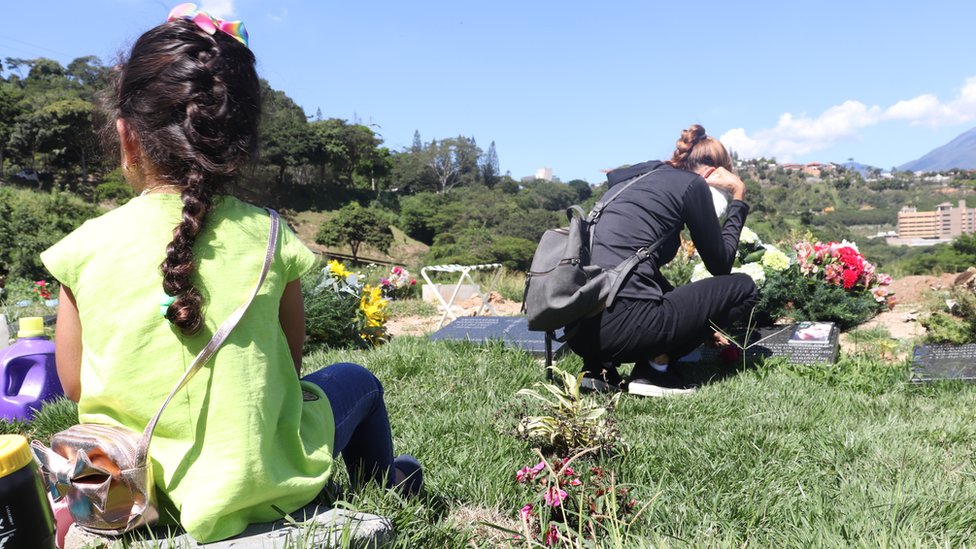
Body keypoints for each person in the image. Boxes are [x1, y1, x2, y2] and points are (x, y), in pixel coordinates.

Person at [40, 4, 421, 543]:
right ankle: (387, 483)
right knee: (357, 380)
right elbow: (288, 362)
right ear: (237, 142)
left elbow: (74, 383)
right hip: (262, 478)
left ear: (126, 136)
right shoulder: (270, 235)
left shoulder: (81, 249)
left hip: (130, 488)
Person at [568, 124, 758, 397]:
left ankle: (598, 371)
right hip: (626, 328)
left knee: (635, 280)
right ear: (714, 173)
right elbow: (720, 265)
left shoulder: (631, 183)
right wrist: (739, 195)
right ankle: (654, 371)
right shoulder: (692, 186)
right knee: (744, 287)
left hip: (579, 331)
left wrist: (695, 323)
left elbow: (629, 267)